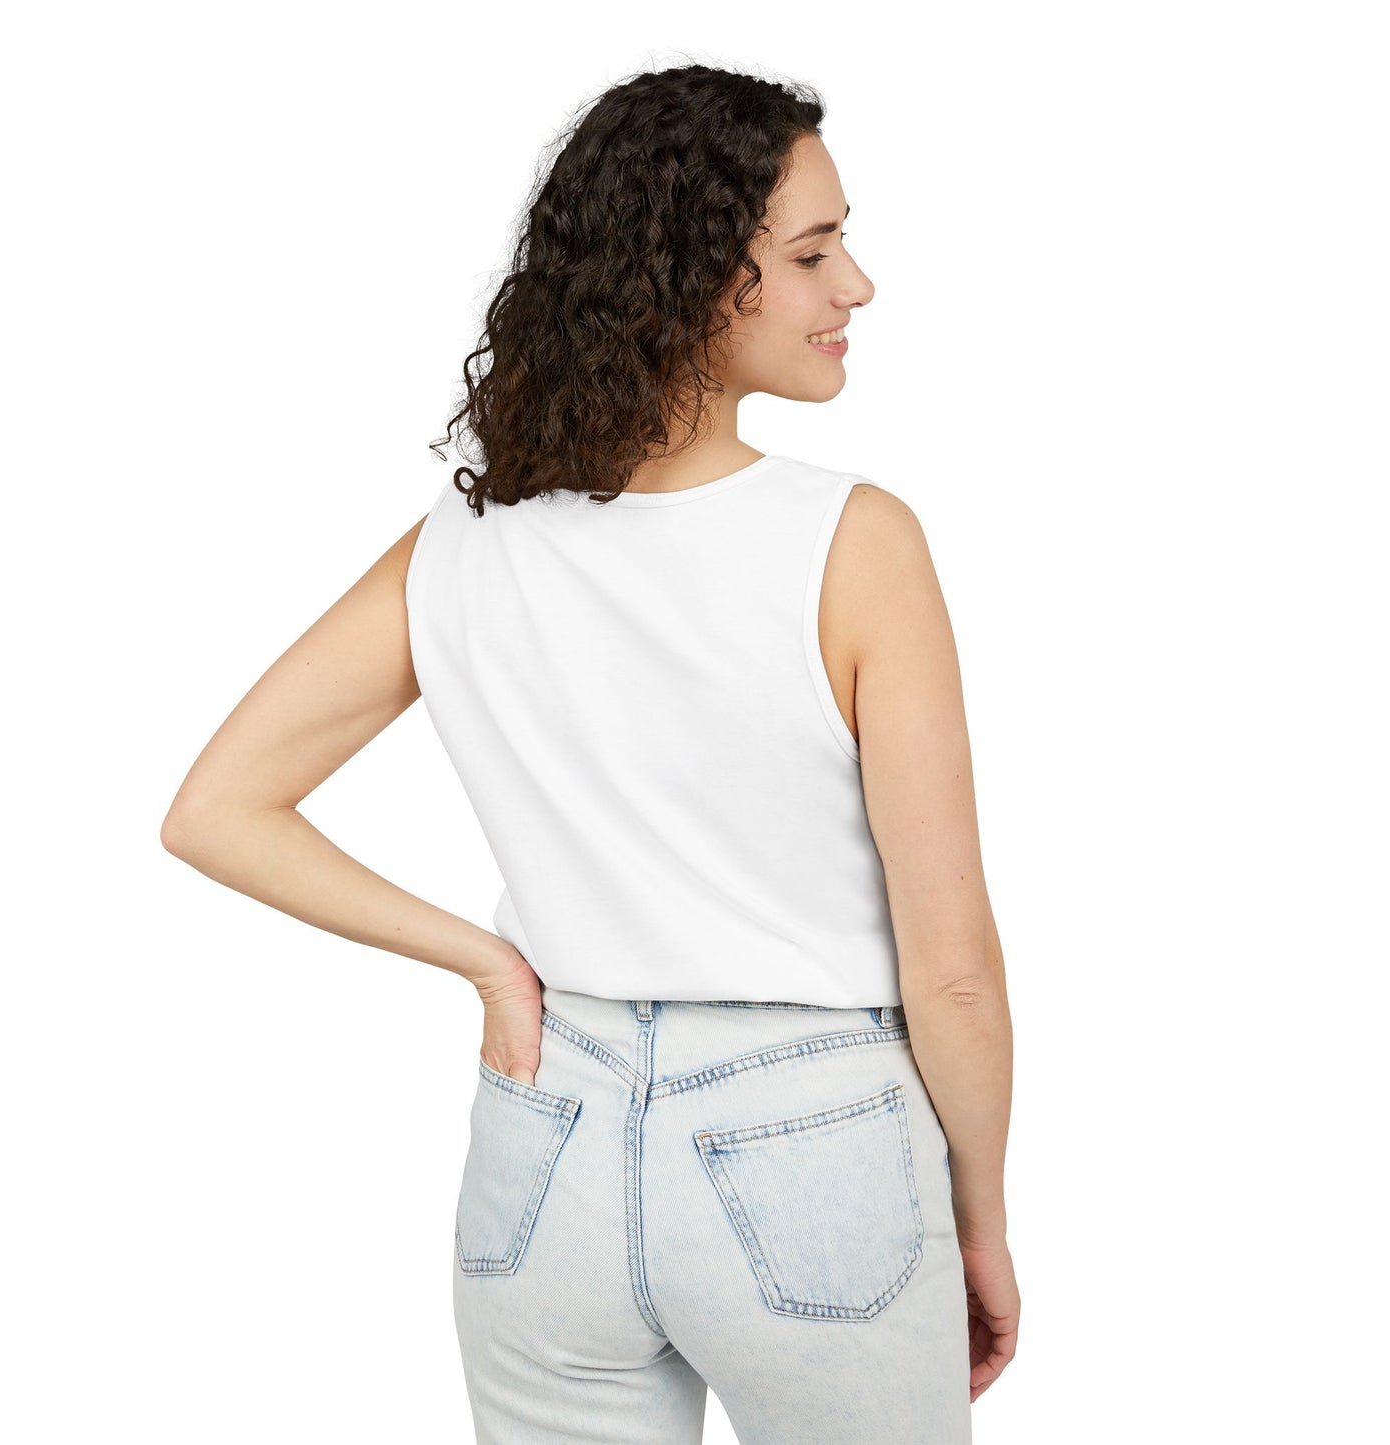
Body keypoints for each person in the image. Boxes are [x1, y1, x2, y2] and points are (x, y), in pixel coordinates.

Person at [162, 62, 1018, 1445]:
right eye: (810, 253)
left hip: (543, 1140)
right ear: (688, 279)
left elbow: (215, 807)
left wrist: (490, 962)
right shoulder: (854, 543)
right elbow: (954, 971)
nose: (852, 285)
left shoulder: (459, 547)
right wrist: (975, 1213)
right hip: (815, 1145)